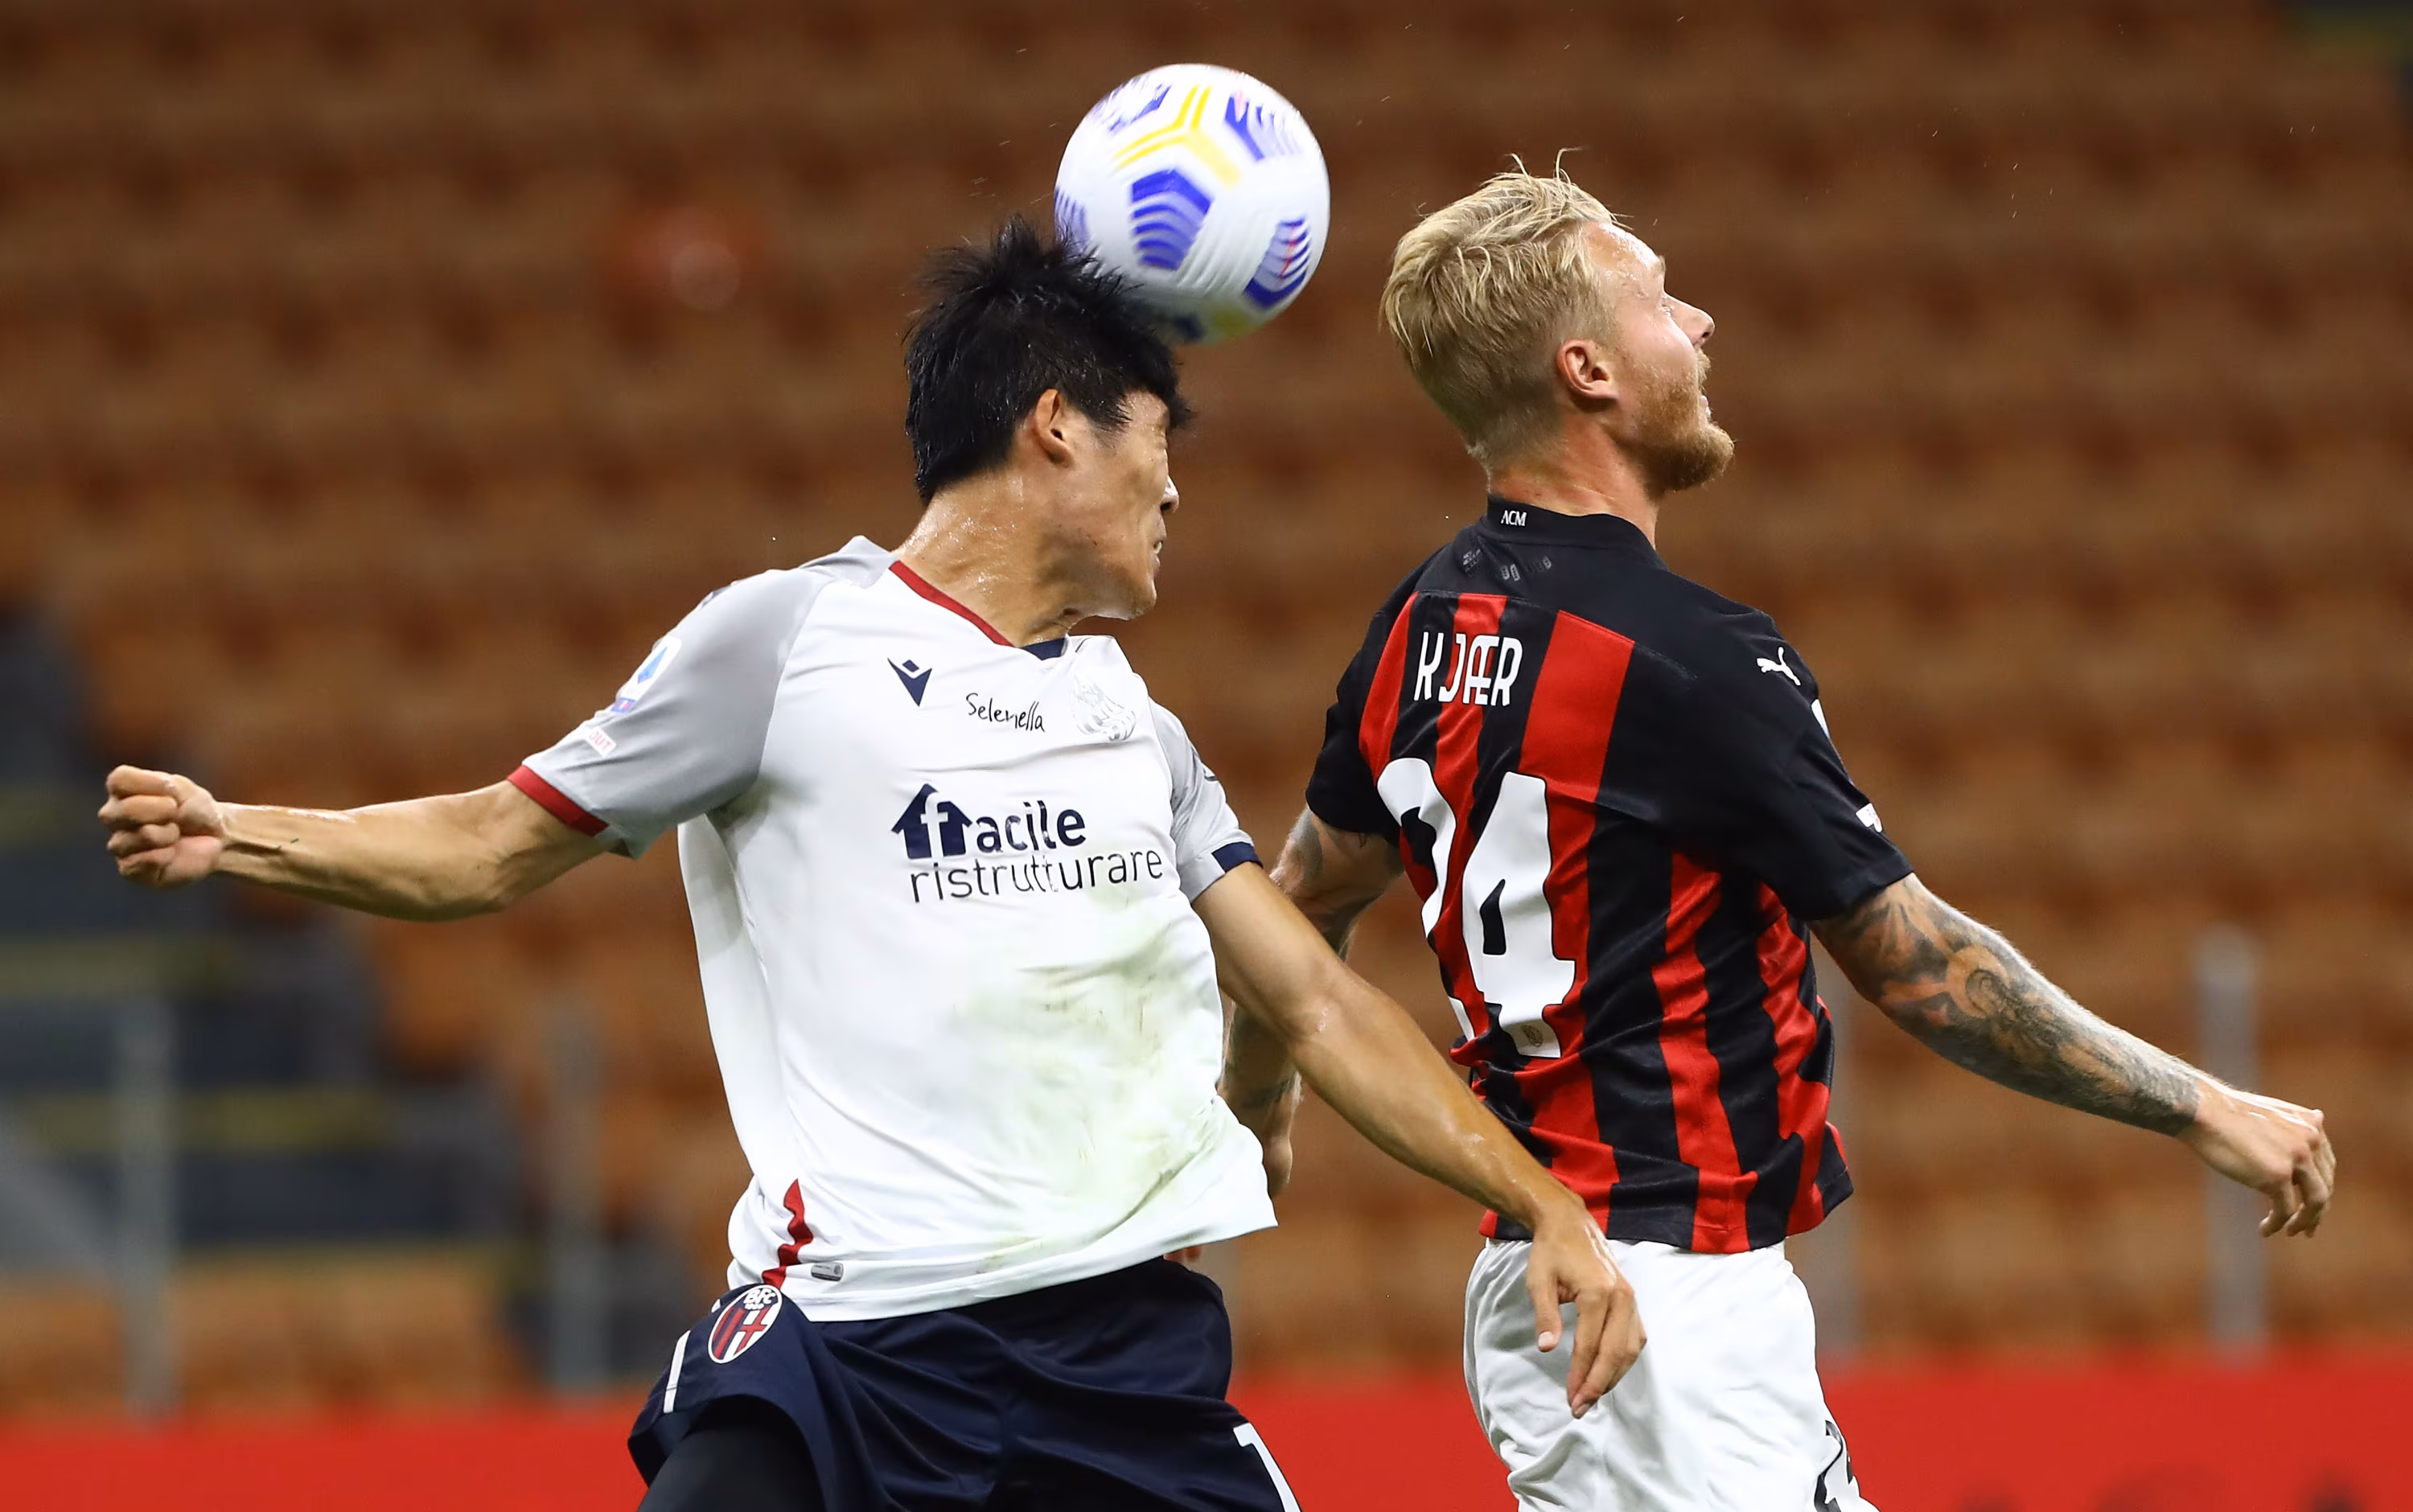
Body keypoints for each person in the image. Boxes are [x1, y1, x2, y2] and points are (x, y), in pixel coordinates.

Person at [95, 219, 1642, 1511]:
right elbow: (491, 845)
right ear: (1056, 425)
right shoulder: (782, 643)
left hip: (1118, 1357)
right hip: (848, 1348)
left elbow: (1312, 997)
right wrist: (243, 831)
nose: (1176, 492)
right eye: (1159, 441)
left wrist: (1537, 1202)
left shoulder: (1135, 725)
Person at [1219, 170, 2339, 1510]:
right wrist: (2202, 1104)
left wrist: (1259, 1105)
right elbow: (1919, 966)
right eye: (1659, 299)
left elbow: (1303, 904)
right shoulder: (1689, 657)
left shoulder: (1416, 630)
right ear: (1587, 371)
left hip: (1597, 1283)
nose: (1699, 324)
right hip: (1654, 1301)